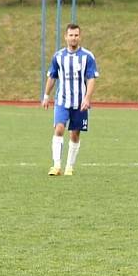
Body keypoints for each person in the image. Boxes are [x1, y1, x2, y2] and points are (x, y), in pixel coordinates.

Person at [41, 23, 98, 176]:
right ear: (66, 37)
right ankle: (56, 165)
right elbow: (52, 76)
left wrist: (87, 98)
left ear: (80, 37)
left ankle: (69, 166)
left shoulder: (87, 56)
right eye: (71, 35)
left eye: (76, 35)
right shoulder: (58, 57)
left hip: (80, 103)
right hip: (62, 100)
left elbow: (91, 79)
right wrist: (46, 96)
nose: (73, 38)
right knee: (59, 129)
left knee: (75, 133)